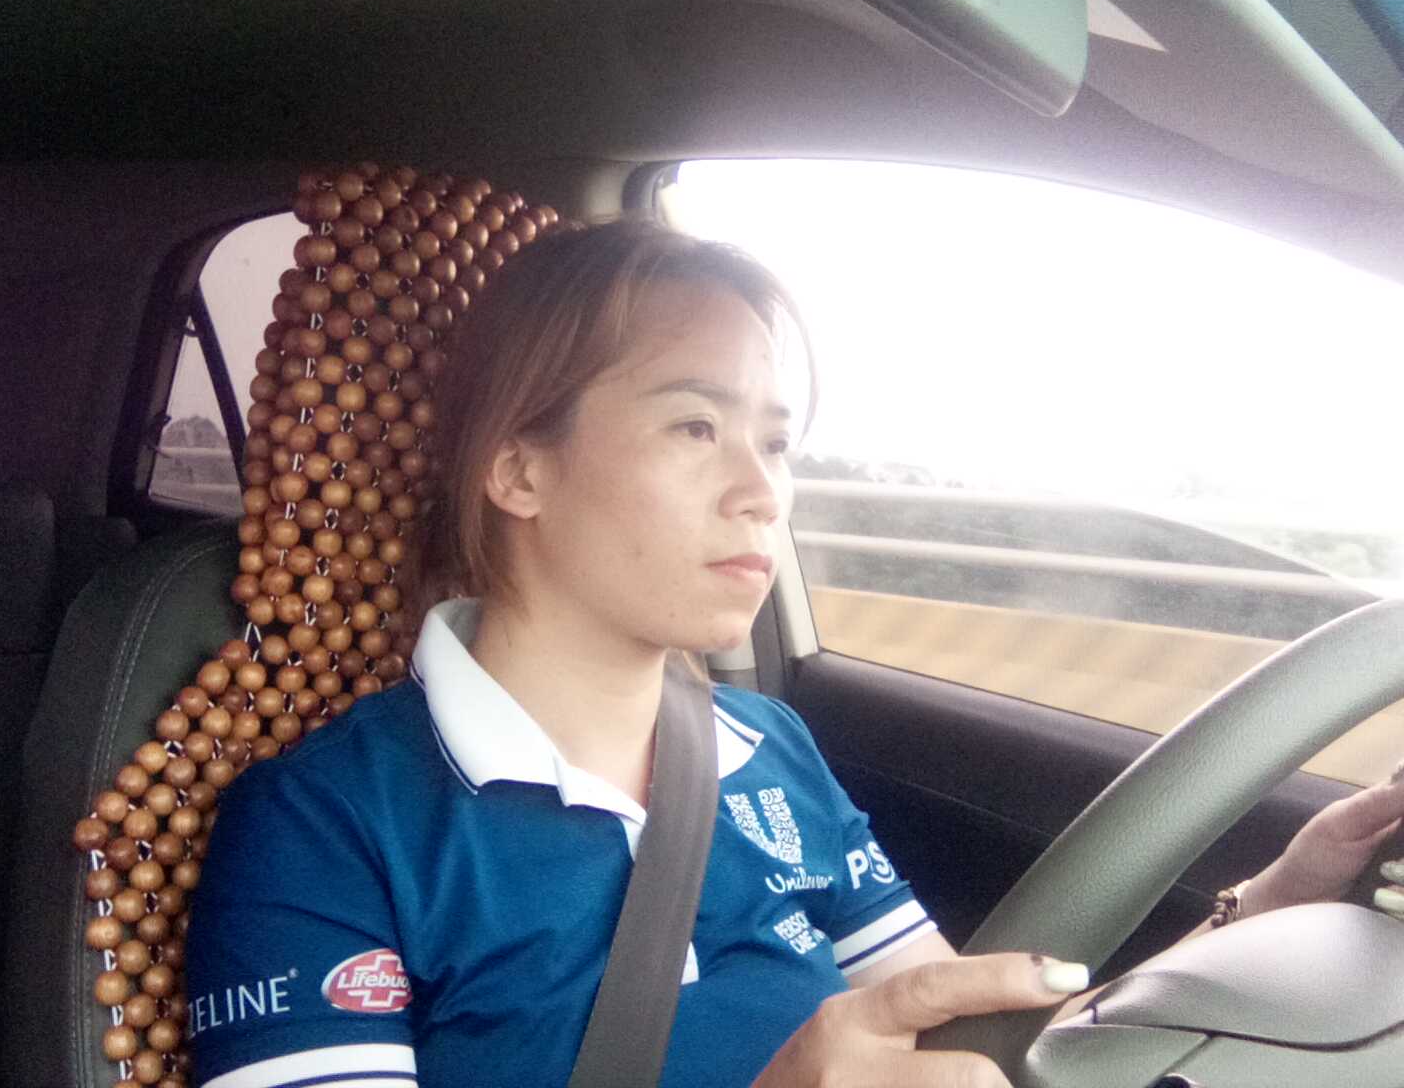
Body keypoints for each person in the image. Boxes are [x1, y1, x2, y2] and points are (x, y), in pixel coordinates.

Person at [186, 219, 1404, 1088]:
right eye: (693, 426)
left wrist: (1274, 899)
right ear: (519, 470)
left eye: (775, 443)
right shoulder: (326, 824)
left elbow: (991, 1045)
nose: (761, 492)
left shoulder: (769, 749)